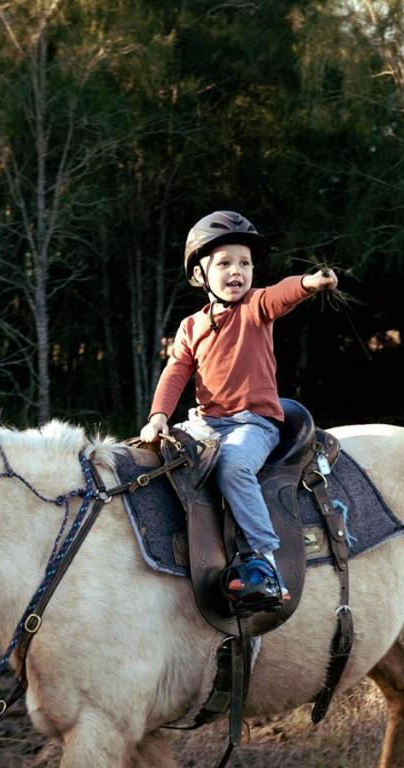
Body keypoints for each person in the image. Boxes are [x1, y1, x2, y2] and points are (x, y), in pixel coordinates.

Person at [137, 210, 339, 613]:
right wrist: (159, 415)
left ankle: (263, 559)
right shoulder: (192, 326)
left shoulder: (254, 308)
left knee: (232, 465)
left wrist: (308, 284)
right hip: (206, 422)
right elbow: (176, 371)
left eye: (244, 264)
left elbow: (280, 293)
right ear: (200, 274)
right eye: (225, 263)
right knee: (163, 459)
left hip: (255, 423)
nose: (237, 272)